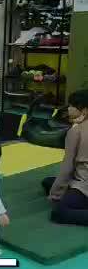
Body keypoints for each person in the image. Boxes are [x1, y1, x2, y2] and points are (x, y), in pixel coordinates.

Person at [42, 89, 88, 225]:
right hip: (82, 180)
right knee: (48, 182)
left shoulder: (76, 131)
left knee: (59, 212)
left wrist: (55, 195)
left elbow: (67, 168)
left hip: (85, 184)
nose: (68, 108)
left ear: (84, 110)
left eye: (72, 106)